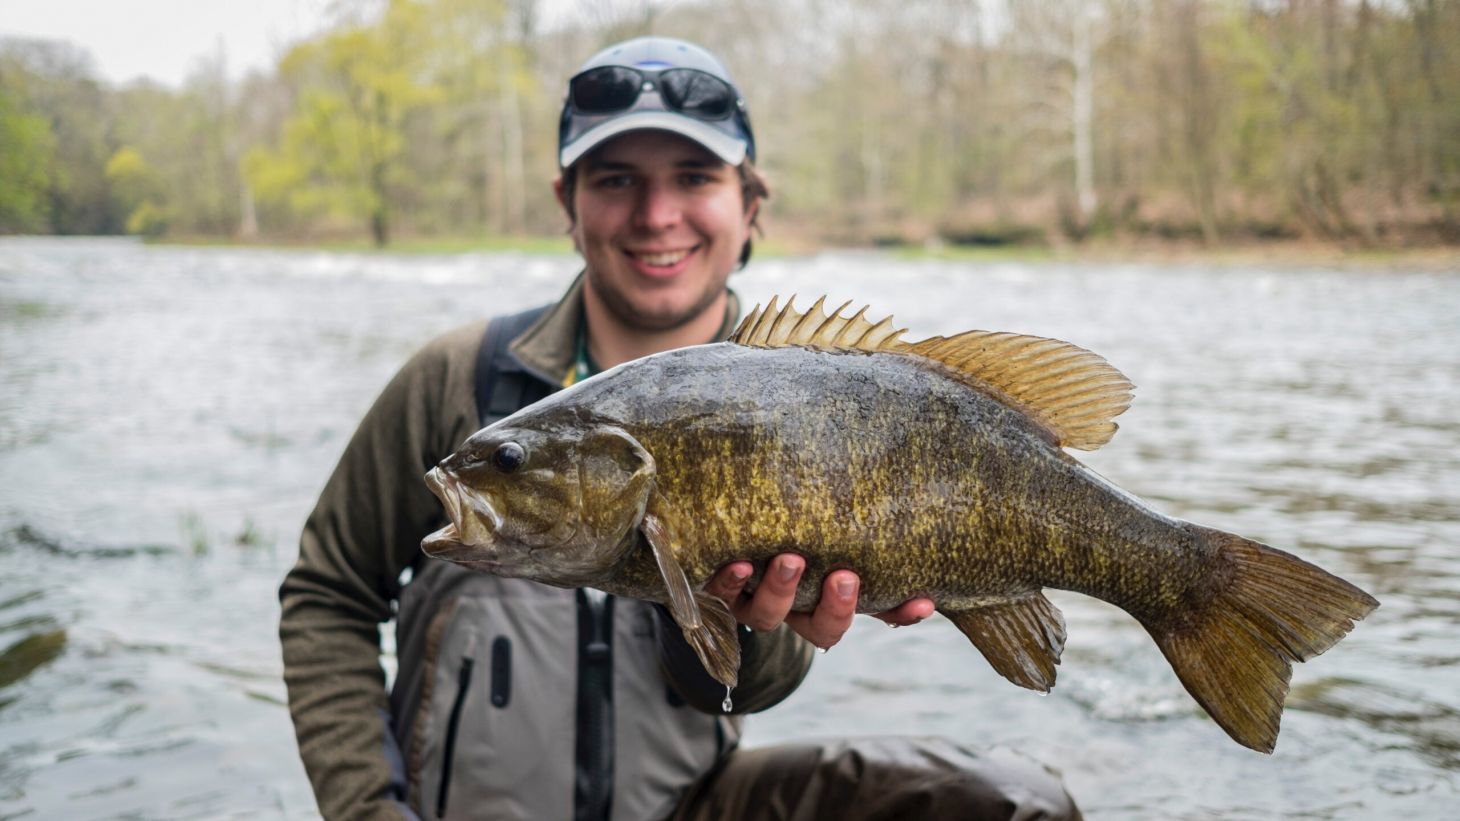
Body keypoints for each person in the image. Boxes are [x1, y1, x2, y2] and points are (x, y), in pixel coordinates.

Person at [279, 36, 1082, 821]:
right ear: (569, 202)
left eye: (693, 177)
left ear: (750, 203)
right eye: (617, 178)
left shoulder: (812, 390)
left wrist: (745, 621)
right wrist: (365, 808)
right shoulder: (458, 381)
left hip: (688, 798)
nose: (656, 214)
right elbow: (328, 593)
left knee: (1016, 803)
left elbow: (744, 688)